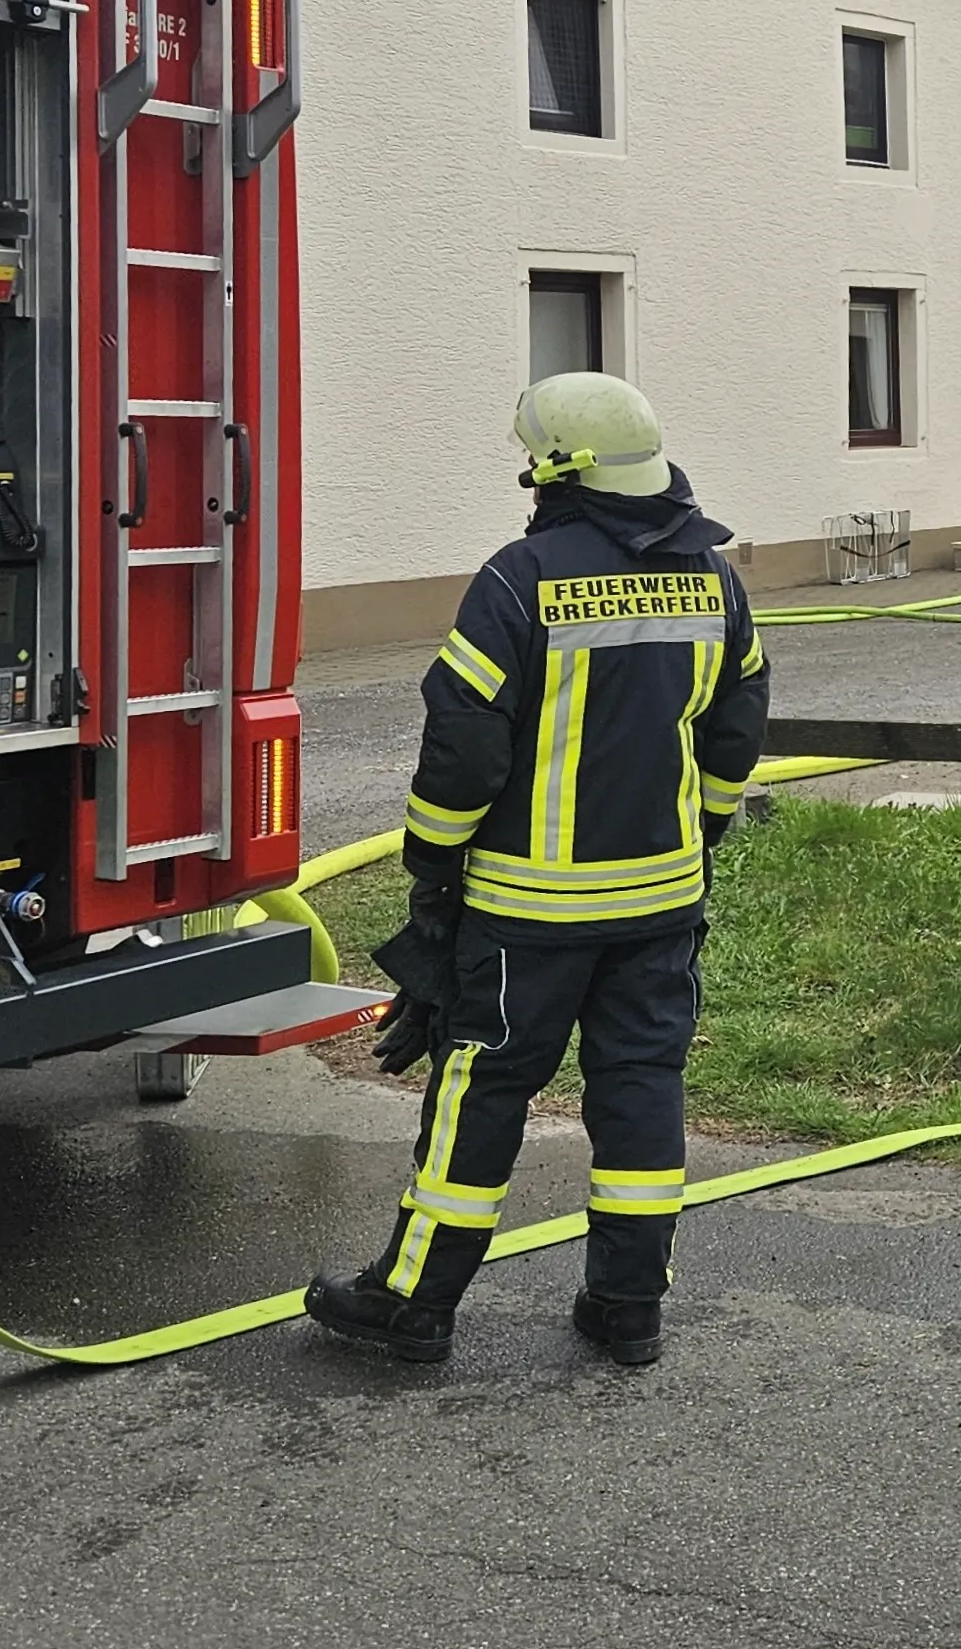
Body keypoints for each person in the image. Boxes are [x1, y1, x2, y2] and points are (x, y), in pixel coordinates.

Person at [306, 373, 771, 1369]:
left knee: (480, 1093)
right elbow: (734, 740)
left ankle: (413, 1302)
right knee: (642, 1086)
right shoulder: (715, 580)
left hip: (527, 914)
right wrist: (701, 840)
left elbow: (462, 758)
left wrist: (433, 871)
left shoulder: (519, 579)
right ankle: (627, 1308)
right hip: (661, 901)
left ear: (554, 469)